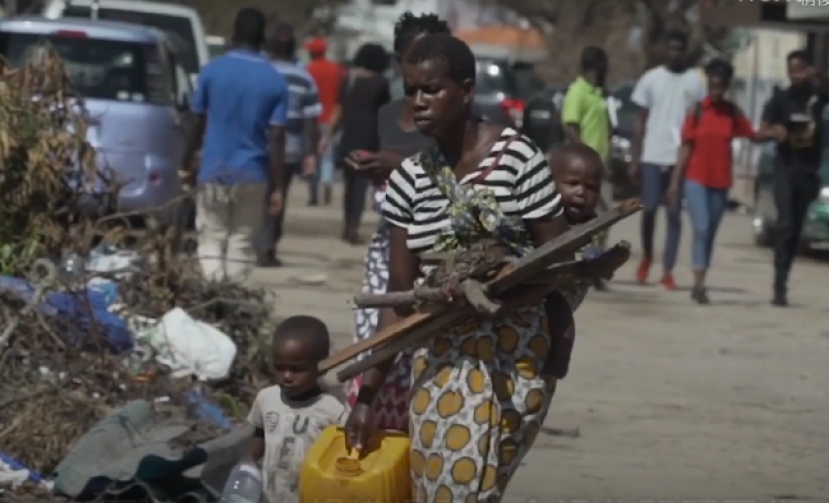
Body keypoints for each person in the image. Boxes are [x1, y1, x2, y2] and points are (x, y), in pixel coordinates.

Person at [345, 33, 571, 503]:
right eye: (410, 91)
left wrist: (506, 290)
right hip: (439, 354)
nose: (418, 103)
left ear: (466, 90)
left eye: (432, 90)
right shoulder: (409, 181)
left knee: (466, 487)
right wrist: (366, 397)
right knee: (435, 486)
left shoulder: (518, 159)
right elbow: (400, 298)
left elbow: (558, 262)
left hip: (516, 354)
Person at [345, 11, 451, 434]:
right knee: (376, 344)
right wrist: (372, 167)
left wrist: (397, 163)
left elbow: (455, 170)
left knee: (422, 355)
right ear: (398, 58)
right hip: (389, 244)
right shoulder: (388, 113)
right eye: (415, 54)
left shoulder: (453, 111)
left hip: (441, 249)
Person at [182, 8, 288, 282]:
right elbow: (276, 137)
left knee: (211, 238)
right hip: (253, 173)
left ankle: (212, 298)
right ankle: (233, 299)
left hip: (214, 170)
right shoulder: (275, 80)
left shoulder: (212, 71)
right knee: (241, 242)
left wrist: (186, 162)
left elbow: (197, 121)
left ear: (234, 32)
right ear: (262, 36)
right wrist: (277, 187)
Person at [667, 59, 780, 304]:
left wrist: (774, 132)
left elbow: (752, 134)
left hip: (720, 182)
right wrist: (675, 183)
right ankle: (697, 282)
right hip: (696, 178)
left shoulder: (732, 113)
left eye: (721, 86)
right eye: (713, 85)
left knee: (710, 233)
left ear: (726, 86)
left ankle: (701, 280)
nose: (716, 90)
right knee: (702, 227)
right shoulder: (697, 111)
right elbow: (685, 147)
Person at [629, 29, 705, 289]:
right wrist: (635, 157)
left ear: (685, 51)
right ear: (665, 50)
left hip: (679, 158)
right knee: (648, 209)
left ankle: (668, 269)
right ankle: (647, 256)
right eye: (671, 48)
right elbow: (640, 121)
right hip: (652, 154)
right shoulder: (651, 79)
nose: (675, 53)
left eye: (679, 49)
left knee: (674, 214)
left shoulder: (694, 81)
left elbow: (699, 122)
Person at [246, 315, 347, 503]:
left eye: (296, 369)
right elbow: (259, 434)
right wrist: (247, 464)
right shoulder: (267, 398)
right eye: (279, 368)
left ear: (322, 365)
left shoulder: (333, 410)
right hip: (271, 495)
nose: (286, 376)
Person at [760, 49, 828, 307]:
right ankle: (779, 284)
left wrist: (819, 75)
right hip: (785, 166)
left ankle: (785, 273)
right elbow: (763, 126)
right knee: (785, 223)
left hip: (808, 169)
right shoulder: (781, 98)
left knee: (796, 228)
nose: (796, 75)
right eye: (792, 70)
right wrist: (774, 131)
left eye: (800, 69)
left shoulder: (816, 96)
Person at [258, 23, 322, 267]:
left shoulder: (261, 73)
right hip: (289, 147)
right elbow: (311, 121)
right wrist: (311, 154)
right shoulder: (304, 78)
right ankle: (269, 247)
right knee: (279, 196)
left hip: (257, 143)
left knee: (259, 196)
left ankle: (256, 243)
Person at [319, 43, 391, 244]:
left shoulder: (348, 80)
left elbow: (339, 110)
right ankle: (353, 227)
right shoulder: (381, 84)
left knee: (349, 185)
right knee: (360, 185)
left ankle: (347, 224)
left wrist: (328, 136)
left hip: (348, 137)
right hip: (370, 138)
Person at [561, 45, 612, 290]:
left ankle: (594, 263)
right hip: (586, 169)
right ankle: (588, 264)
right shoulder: (577, 92)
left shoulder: (599, 93)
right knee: (596, 217)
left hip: (601, 165)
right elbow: (572, 126)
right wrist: (582, 162)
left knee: (603, 218)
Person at [305, 37, 343, 206]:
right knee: (328, 154)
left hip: (311, 118)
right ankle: (327, 181)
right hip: (331, 117)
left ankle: (313, 192)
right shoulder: (337, 70)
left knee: (312, 154)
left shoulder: (307, 70)